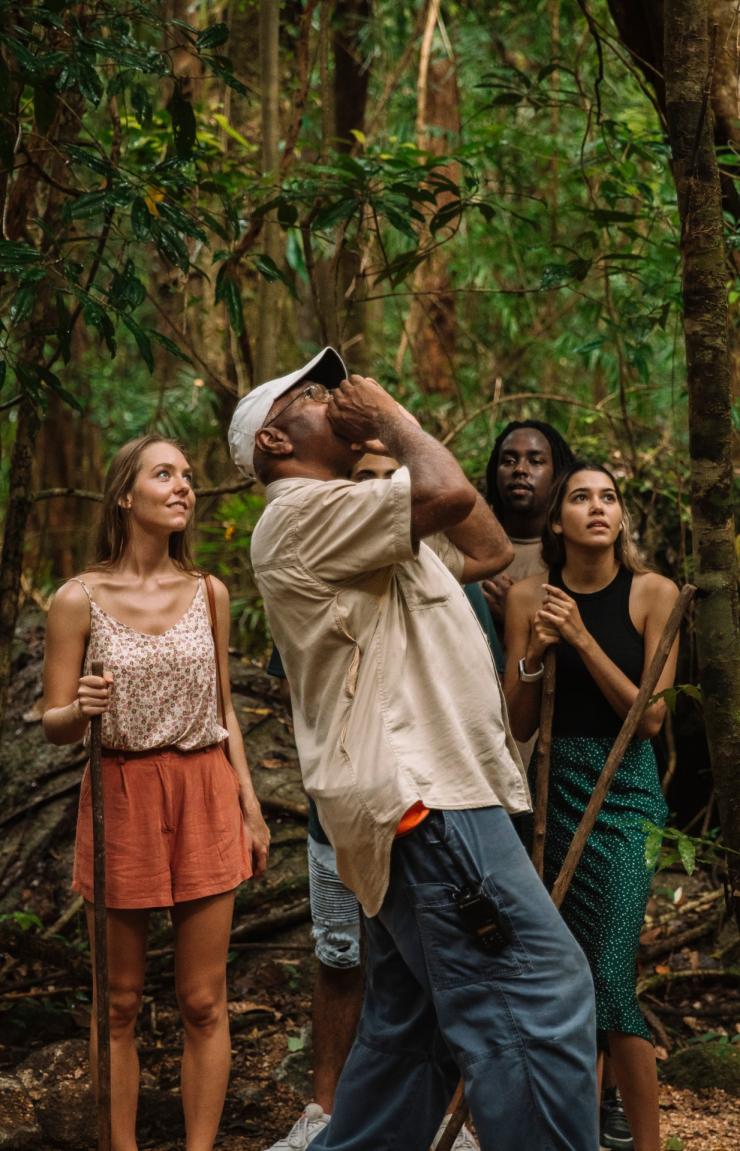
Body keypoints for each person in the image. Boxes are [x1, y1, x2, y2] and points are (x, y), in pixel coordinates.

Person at [228, 346, 599, 1151]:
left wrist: (389, 446)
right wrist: (395, 420)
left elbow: (491, 547)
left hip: (427, 798)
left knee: (410, 1038)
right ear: (274, 442)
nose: (334, 396)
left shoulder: (362, 513)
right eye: (311, 395)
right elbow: (449, 490)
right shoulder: (298, 515)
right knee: (540, 995)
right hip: (425, 798)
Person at [41, 435, 270, 1151]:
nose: (183, 487)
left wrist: (251, 806)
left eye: (188, 476)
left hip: (204, 787)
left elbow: (226, 708)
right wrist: (81, 707)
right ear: (124, 495)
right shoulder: (77, 599)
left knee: (204, 999)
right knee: (118, 1003)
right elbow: (53, 725)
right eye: (163, 474)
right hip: (123, 790)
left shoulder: (210, 592)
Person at [266, 449, 488, 1151]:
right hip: (343, 809)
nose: (374, 490)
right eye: (359, 479)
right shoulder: (321, 561)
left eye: (388, 477)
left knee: (435, 972)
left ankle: (450, 1120)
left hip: (427, 813)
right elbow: (298, 690)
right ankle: (326, 1110)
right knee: (342, 959)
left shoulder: (440, 575)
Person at [503, 461, 679, 1151]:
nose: (597, 508)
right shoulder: (526, 597)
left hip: (628, 790)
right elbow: (516, 724)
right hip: (555, 791)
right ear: (557, 520)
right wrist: (537, 655)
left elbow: (652, 721)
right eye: (580, 498)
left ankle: (647, 1142)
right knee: (566, 976)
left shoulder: (653, 593)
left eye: (608, 497)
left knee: (609, 972)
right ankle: (575, 1132)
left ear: (621, 518)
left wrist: (581, 637)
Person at [482, 419, 575, 652]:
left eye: (535, 461)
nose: (520, 470)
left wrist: (515, 615)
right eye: (509, 461)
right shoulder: (469, 546)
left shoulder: (575, 553)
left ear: (558, 473)